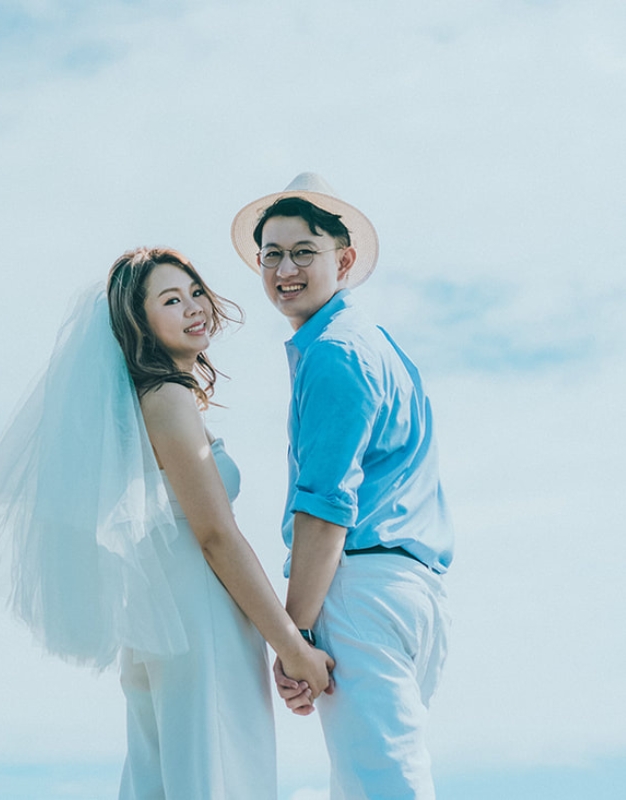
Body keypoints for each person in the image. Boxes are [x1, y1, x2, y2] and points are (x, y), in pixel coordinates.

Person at [0, 247, 333, 799]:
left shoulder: (146, 403)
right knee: (218, 774)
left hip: (164, 621)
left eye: (193, 292)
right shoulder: (167, 399)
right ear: (139, 324)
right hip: (200, 614)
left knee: (164, 779)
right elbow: (215, 535)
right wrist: (292, 646)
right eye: (170, 300)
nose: (194, 307)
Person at [230, 173, 455, 799]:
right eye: (271, 254)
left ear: (344, 259)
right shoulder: (375, 346)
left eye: (304, 251)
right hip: (415, 593)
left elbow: (326, 507)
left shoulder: (334, 351)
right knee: (378, 781)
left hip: (362, 590)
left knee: (382, 786)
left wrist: (295, 635)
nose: (284, 268)